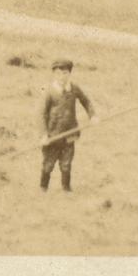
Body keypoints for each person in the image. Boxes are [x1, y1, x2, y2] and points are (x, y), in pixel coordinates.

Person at [38, 59, 95, 192]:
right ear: (53, 74)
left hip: (70, 134)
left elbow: (86, 101)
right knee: (48, 164)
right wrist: (43, 134)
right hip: (52, 136)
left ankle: (66, 189)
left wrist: (93, 116)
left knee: (66, 164)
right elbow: (41, 114)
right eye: (58, 73)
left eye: (65, 73)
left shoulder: (74, 88)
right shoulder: (49, 91)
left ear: (69, 73)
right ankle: (43, 188)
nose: (62, 77)